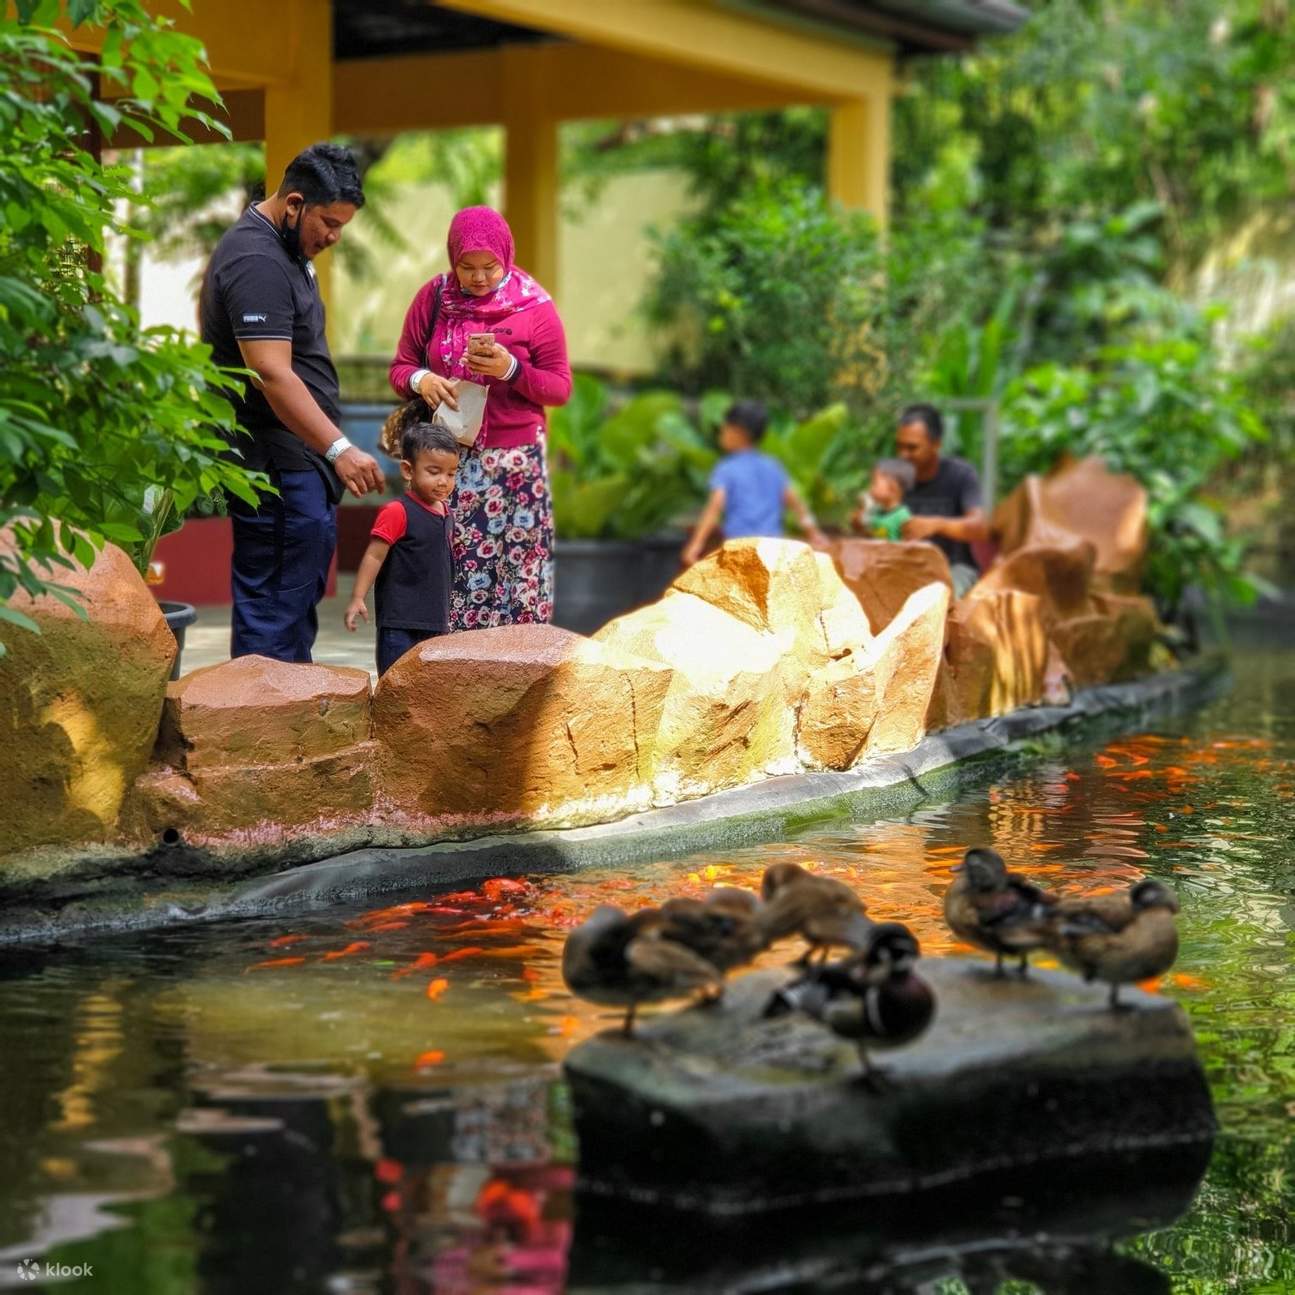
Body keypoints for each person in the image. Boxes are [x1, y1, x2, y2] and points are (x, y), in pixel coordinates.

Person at [200, 142, 384, 663]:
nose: (333, 236)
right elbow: (270, 372)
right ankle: (261, 738)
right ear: (294, 202)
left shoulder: (289, 251)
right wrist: (340, 449)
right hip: (276, 466)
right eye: (327, 222)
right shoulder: (257, 259)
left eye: (343, 226)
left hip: (296, 465)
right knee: (274, 619)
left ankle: (281, 732)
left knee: (292, 607)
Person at [389, 206, 571, 630]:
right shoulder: (433, 298)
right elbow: (400, 367)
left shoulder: (534, 308)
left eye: (490, 267)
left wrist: (512, 371)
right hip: (451, 459)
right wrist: (422, 380)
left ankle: (523, 666)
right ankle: (456, 667)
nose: (479, 278)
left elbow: (560, 387)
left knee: (520, 568)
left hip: (517, 461)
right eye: (466, 267)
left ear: (506, 257)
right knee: (455, 561)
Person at [345, 422, 459, 676]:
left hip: (435, 623)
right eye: (434, 471)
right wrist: (357, 597)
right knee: (395, 687)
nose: (443, 481)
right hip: (400, 623)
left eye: (451, 474)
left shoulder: (447, 513)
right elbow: (374, 555)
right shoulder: (397, 511)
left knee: (428, 692)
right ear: (408, 470)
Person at [681, 400, 826, 566]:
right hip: (772, 552)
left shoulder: (726, 469)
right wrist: (814, 533)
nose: (721, 432)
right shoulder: (773, 466)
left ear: (738, 432)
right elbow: (796, 503)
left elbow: (714, 509)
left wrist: (695, 545)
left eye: (725, 427)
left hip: (740, 552)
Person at [894, 403, 988, 596]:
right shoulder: (894, 478)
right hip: (903, 569)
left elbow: (980, 527)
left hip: (954, 569)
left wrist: (936, 525)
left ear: (936, 444)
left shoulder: (961, 474)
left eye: (912, 448)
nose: (903, 455)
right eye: (900, 446)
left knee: (940, 600)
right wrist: (863, 521)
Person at [852, 458, 915, 541]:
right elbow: (865, 532)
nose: (870, 488)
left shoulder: (902, 517)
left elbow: (909, 544)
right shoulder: (875, 511)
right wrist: (860, 513)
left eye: (874, 483)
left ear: (893, 487)